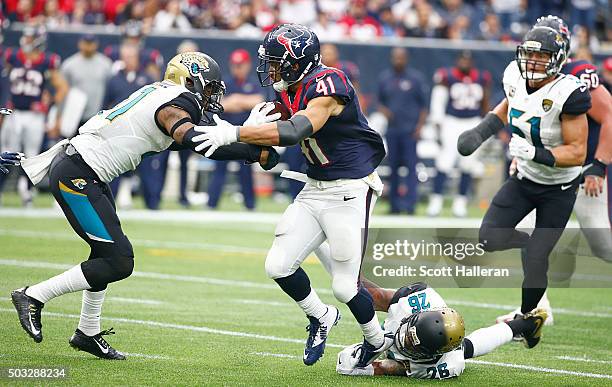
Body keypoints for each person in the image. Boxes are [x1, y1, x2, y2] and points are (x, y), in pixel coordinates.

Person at [9, 51, 279, 360]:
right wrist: (248, 143)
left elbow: (199, 144)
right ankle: (33, 296)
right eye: (207, 88)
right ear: (189, 81)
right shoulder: (180, 101)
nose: (210, 96)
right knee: (119, 261)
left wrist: (249, 151)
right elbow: (192, 139)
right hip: (78, 175)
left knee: (105, 253)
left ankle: (87, 331)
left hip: (83, 170)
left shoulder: (162, 93)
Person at [194, 24, 388, 367]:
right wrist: (253, 136)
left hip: (350, 190)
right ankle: (321, 316)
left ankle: (376, 340)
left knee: (345, 286)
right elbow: (270, 160)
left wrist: (237, 131)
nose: (270, 69)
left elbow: (299, 129)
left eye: (276, 62)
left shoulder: (329, 83)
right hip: (314, 188)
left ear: (299, 62)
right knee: (278, 265)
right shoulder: (286, 93)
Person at [457, 26, 591, 319]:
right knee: (489, 238)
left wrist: (535, 153)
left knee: (535, 261)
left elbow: (577, 153)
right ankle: (534, 244)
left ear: (557, 59)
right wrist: (481, 132)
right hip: (524, 178)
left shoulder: (568, 92)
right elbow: (509, 107)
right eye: (529, 54)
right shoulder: (514, 76)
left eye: (541, 56)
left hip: (559, 188)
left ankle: (528, 317)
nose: (533, 62)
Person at [495, 15, 612, 325]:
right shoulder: (526, 77)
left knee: (603, 245)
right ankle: (535, 311)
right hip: (540, 174)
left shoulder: (577, 76)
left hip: (581, 171)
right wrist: (524, 154)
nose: (537, 56)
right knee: (533, 238)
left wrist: (598, 165)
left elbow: (610, 114)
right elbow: (518, 115)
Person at [336, 281, 547, 379]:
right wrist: (345, 272)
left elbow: (385, 367)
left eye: (411, 344)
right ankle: (526, 324)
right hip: (428, 322)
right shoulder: (416, 300)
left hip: (448, 353)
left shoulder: (440, 363)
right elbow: (374, 295)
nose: (403, 341)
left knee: (466, 349)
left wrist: (361, 365)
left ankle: (527, 324)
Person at [0, 24, 68, 206]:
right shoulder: (12, 57)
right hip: (13, 113)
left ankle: (26, 192)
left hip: (35, 115)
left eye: (30, 37)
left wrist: (50, 104)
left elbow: (62, 88)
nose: (27, 40)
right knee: (6, 152)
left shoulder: (47, 61)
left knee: (30, 156)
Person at [427, 50, 491, 217]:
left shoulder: (481, 77)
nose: (465, 63)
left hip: (472, 122)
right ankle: (436, 201)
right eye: (462, 59)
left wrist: (486, 126)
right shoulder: (446, 76)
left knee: (468, 163)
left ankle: (460, 202)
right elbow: (438, 102)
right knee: (444, 161)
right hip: (451, 121)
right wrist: (437, 125)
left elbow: (485, 103)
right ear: (457, 60)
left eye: (468, 60)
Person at [207, 49, 264, 210]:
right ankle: (211, 203)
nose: (237, 68)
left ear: (247, 65)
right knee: (219, 169)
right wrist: (239, 102)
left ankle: (250, 205)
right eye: (235, 65)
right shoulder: (224, 83)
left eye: (241, 65)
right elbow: (220, 104)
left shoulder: (253, 83)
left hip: (245, 134)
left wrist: (236, 100)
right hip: (224, 133)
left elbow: (258, 102)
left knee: (246, 170)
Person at [378, 47, 428, 214]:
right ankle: (394, 206)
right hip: (393, 130)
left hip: (410, 131)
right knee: (393, 168)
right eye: (396, 57)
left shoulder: (415, 79)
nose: (398, 60)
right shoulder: (385, 78)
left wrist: (419, 127)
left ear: (406, 59)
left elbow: (423, 106)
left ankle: (410, 205)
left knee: (411, 169)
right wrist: (385, 112)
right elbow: (380, 102)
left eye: (401, 57)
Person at [61, 33, 113, 130]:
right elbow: (62, 90)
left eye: (91, 43)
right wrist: (60, 114)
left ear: (96, 44)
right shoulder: (69, 64)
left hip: (98, 115)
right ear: (80, 44)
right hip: (74, 115)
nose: (88, 46)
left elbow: (111, 90)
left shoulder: (106, 64)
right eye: (86, 43)